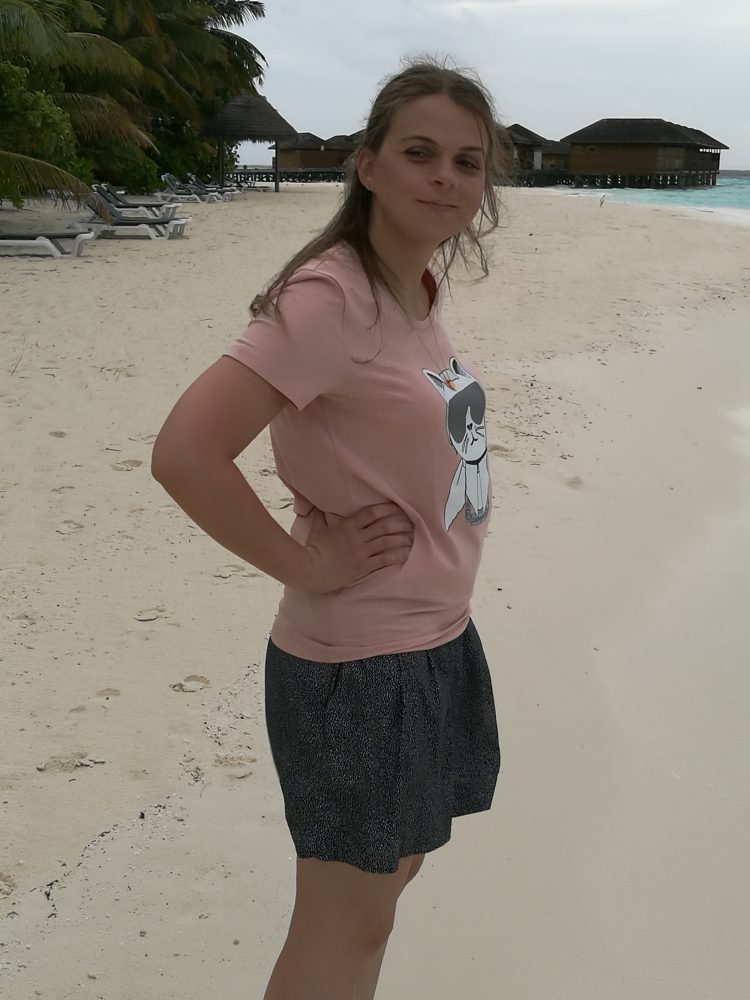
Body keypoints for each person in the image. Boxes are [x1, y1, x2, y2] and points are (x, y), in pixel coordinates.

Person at [151, 55, 509, 1000]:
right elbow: (185, 454)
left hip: (433, 642)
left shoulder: (413, 290)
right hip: (360, 668)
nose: (445, 177)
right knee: (343, 925)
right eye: (420, 153)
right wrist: (305, 564)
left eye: (467, 162)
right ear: (369, 164)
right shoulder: (329, 298)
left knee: (381, 898)